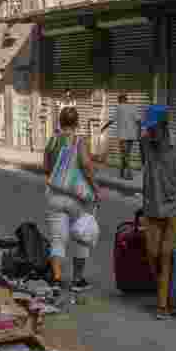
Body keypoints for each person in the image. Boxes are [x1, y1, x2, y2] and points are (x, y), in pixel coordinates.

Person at [140, 107, 176, 320]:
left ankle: (163, 305)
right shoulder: (145, 143)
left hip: (175, 209)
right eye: (148, 129)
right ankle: (167, 290)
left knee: (166, 255)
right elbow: (146, 172)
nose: (149, 132)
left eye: (153, 128)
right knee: (152, 253)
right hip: (152, 209)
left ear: (164, 126)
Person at [44, 106, 104, 295]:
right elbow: (86, 165)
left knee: (57, 239)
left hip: (54, 195)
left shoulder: (53, 141)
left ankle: (56, 279)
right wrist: (95, 188)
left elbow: (46, 167)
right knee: (81, 236)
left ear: (60, 122)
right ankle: (77, 280)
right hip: (76, 198)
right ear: (77, 123)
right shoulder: (79, 142)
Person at [102, 94, 142, 180]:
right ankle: (122, 172)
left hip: (123, 135)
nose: (118, 102)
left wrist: (103, 127)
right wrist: (139, 132)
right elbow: (138, 121)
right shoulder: (133, 107)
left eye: (118, 100)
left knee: (125, 154)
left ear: (121, 100)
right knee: (126, 154)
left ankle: (129, 173)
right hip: (132, 134)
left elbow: (112, 120)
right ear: (126, 100)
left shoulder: (119, 107)